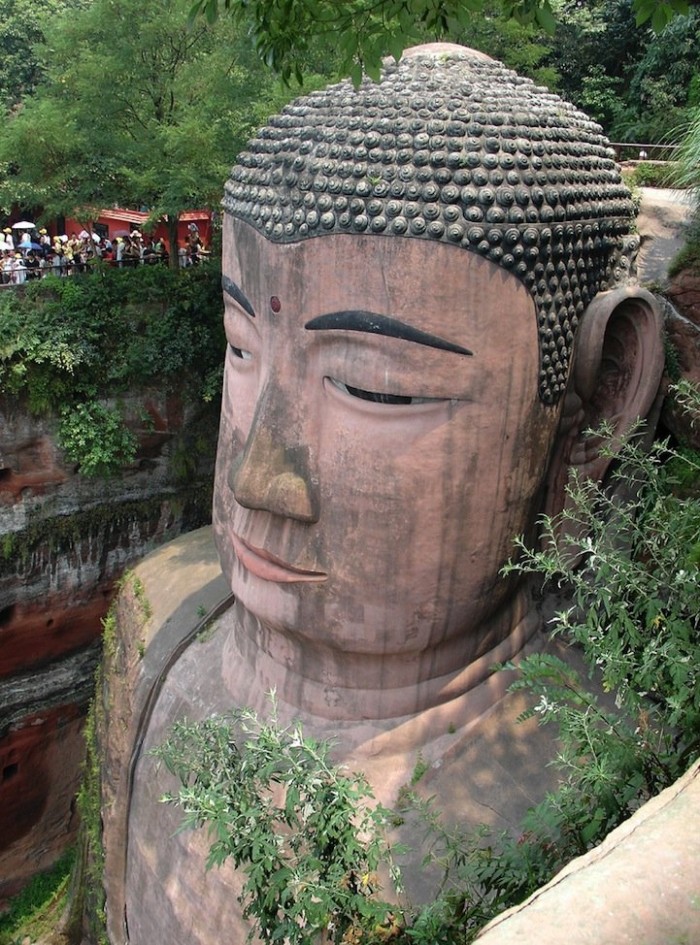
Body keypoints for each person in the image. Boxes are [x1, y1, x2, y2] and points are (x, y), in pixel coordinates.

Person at [106, 45, 665, 945]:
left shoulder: (569, 806)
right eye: (241, 346)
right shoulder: (162, 632)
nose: (256, 478)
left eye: (375, 388)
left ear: (596, 408)